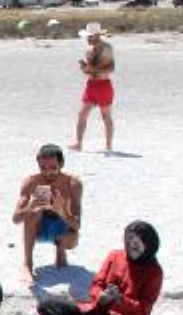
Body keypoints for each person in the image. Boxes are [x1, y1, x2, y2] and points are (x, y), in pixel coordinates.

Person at [38, 221, 162, 315]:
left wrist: (119, 301)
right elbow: (97, 284)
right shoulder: (115, 256)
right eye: (128, 240)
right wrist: (101, 296)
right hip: (96, 308)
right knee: (46, 306)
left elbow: (143, 310)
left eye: (137, 243)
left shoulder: (154, 272)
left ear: (149, 245)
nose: (131, 246)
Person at [12, 144, 83, 285]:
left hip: (62, 226)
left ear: (61, 164)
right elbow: (16, 219)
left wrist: (61, 210)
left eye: (53, 168)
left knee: (73, 237)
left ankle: (60, 251)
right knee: (33, 213)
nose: (47, 173)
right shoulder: (31, 182)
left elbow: (77, 224)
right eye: (43, 168)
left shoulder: (73, 183)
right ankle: (27, 264)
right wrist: (31, 206)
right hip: (39, 227)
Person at [70, 22, 115, 153]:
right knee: (82, 114)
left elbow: (110, 68)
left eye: (89, 36)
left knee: (106, 116)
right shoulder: (89, 49)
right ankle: (78, 143)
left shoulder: (107, 48)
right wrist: (85, 68)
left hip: (103, 85)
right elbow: (90, 71)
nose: (87, 38)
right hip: (91, 85)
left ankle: (108, 146)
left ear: (96, 35)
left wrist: (90, 69)